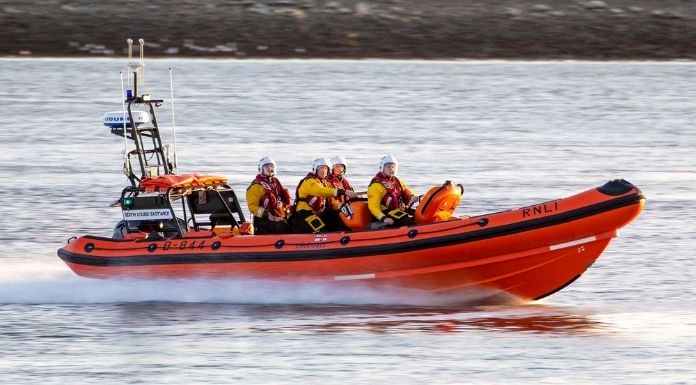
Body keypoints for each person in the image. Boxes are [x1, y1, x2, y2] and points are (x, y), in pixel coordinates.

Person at [292, 157, 357, 233]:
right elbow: (321, 191)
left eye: (326, 168)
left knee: (338, 219)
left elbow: (330, 201)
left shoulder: (323, 182)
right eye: (321, 168)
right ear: (315, 169)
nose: (323, 170)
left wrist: (340, 206)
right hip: (306, 214)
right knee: (322, 230)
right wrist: (343, 191)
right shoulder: (309, 181)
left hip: (319, 213)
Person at [367, 154, 418, 228]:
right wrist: (384, 218)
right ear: (382, 168)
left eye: (393, 166)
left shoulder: (397, 181)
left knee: (416, 215)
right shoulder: (376, 185)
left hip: (397, 210)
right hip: (385, 212)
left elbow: (406, 190)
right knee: (408, 221)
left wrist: (412, 196)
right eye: (388, 166)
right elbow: (373, 206)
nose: (391, 169)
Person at [246, 156, 292, 234]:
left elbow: (284, 200)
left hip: (278, 215)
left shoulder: (276, 182)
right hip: (263, 221)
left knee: (293, 222)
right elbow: (252, 207)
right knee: (284, 226)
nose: (270, 168)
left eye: (271, 166)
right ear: (261, 169)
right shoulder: (256, 186)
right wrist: (269, 216)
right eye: (266, 166)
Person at [325, 155, 355, 231]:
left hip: (344, 208)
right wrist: (341, 206)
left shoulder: (343, 181)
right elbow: (330, 200)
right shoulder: (328, 181)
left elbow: (350, 195)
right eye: (336, 166)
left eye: (341, 166)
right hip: (332, 211)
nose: (339, 168)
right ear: (332, 168)